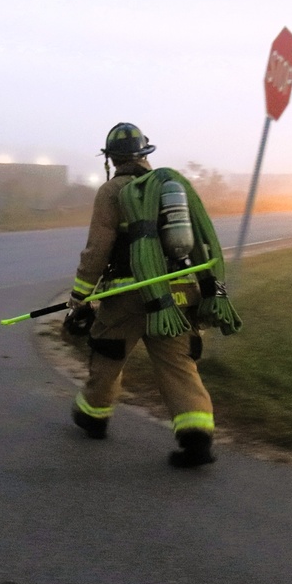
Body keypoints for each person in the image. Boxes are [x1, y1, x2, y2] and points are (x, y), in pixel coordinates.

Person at [66, 122, 236, 468]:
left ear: (112, 159)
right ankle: (197, 439)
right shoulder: (172, 188)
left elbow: (97, 248)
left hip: (127, 299)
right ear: (145, 155)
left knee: (108, 360)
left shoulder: (112, 192)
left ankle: (93, 417)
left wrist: (80, 294)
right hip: (176, 297)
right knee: (179, 366)